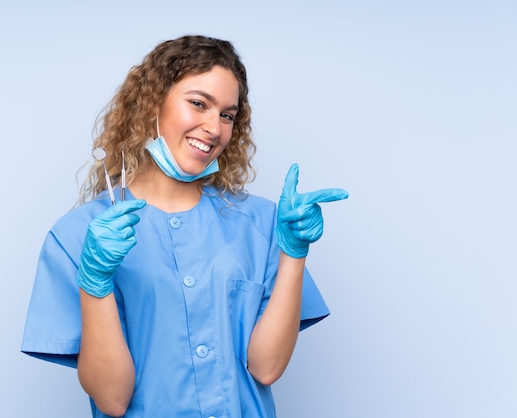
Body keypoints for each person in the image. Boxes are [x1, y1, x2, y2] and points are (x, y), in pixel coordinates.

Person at [21, 34, 348, 418]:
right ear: (152, 103)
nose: (214, 128)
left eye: (227, 115)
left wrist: (294, 253)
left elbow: (267, 367)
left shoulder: (261, 224)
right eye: (198, 104)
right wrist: (96, 283)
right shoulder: (79, 236)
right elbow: (112, 400)